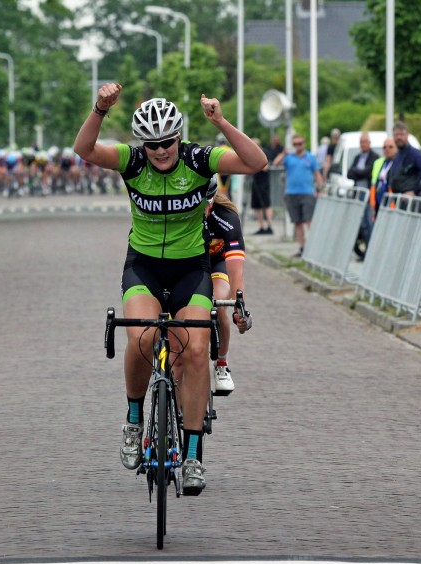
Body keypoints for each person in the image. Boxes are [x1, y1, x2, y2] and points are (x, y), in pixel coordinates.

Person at [73, 84, 266, 496]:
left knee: (196, 351)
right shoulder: (132, 160)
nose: (161, 151)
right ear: (144, 143)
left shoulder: (199, 159)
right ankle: (132, 419)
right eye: (153, 144)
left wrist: (220, 122)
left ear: (180, 137)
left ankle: (193, 453)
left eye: (168, 142)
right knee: (141, 338)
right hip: (143, 266)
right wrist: (100, 109)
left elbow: (256, 161)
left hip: (189, 269)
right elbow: (85, 149)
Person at [204, 189, 252, 397]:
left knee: (218, 301)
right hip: (187, 264)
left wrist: (238, 309)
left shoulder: (225, 217)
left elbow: (236, 273)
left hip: (216, 264)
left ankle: (221, 364)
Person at [273, 133, 323, 258]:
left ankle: (313, 247)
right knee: (297, 222)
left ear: (303, 144)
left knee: (309, 221)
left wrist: (322, 188)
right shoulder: (289, 157)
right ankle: (302, 247)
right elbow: (276, 163)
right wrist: (284, 153)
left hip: (307, 193)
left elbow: (317, 174)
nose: (297, 146)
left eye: (299, 144)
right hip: (291, 193)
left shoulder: (310, 157)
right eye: (295, 144)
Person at [346, 132, 379, 258]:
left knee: (369, 223)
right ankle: (364, 251)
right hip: (357, 195)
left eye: (365, 142)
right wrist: (359, 172)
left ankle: (370, 252)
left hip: (369, 195)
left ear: (369, 143)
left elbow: (368, 172)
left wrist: (357, 172)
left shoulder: (374, 157)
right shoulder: (357, 157)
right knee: (361, 224)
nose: (363, 145)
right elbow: (349, 173)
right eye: (361, 142)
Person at [252, 134, 283, 235]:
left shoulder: (264, 153)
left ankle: (270, 226)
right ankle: (261, 226)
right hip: (256, 181)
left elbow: (266, 167)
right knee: (257, 206)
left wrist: (254, 165)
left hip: (264, 182)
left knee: (267, 204)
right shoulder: (252, 153)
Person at [389, 121, 421, 196]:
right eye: (396, 135)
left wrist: (415, 191)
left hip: (410, 201)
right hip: (399, 198)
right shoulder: (397, 155)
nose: (399, 137)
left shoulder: (414, 154)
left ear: (407, 135)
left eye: (401, 134)